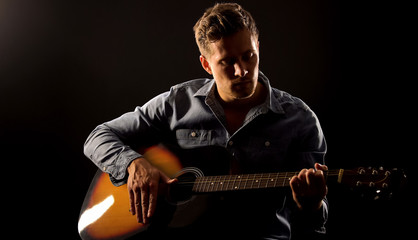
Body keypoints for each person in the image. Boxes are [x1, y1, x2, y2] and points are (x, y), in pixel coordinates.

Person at [84, 3, 328, 239]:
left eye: (248, 56)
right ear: (206, 64)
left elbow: (313, 225)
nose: (241, 70)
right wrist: (134, 164)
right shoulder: (178, 103)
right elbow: (98, 137)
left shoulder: (300, 120)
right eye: (227, 62)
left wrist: (312, 205)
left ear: (258, 49)